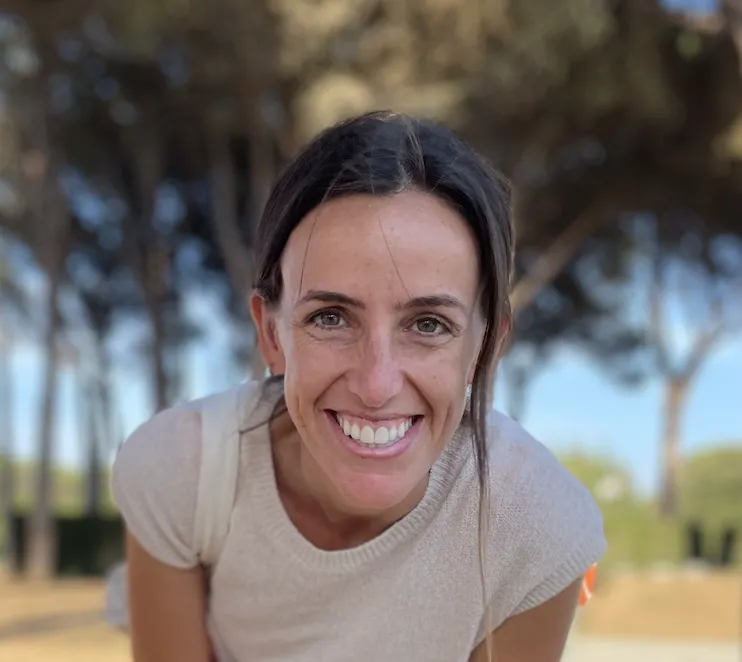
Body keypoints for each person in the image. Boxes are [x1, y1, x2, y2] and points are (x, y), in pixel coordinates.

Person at [111, 110, 606, 662]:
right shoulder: (183, 470)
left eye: (428, 325)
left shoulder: (537, 527)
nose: (376, 384)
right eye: (330, 318)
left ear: (485, 348)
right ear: (271, 334)